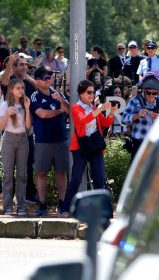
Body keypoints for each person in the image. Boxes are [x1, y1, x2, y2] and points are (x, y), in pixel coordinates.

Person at [59, 80, 116, 217]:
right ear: (81, 94)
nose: (91, 95)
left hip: (95, 147)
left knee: (99, 178)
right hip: (80, 148)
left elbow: (106, 122)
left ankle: (99, 210)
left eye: (93, 92)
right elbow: (83, 120)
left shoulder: (94, 107)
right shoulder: (75, 108)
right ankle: (65, 208)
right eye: (89, 92)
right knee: (76, 178)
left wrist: (111, 112)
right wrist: (100, 109)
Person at [30, 66, 70, 216]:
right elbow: (42, 114)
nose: (49, 80)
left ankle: (62, 203)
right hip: (43, 140)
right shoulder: (35, 96)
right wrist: (59, 110)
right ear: (38, 80)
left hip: (60, 139)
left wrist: (62, 101)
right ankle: (42, 204)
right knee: (41, 173)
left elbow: (70, 111)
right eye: (46, 78)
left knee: (61, 172)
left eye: (50, 77)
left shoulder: (57, 93)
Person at [0, 78, 32, 216]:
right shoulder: (4, 105)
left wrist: (28, 109)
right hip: (9, 139)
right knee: (7, 175)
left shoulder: (25, 104)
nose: (21, 90)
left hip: (23, 139)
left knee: (22, 174)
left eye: (22, 88)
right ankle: (7, 207)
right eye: (18, 88)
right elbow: (0, 127)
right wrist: (7, 114)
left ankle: (21, 206)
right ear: (11, 90)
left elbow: (28, 126)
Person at [122, 73, 159, 162]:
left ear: (157, 92)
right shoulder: (135, 101)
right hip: (139, 143)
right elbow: (124, 119)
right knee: (136, 173)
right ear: (144, 90)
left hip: (156, 144)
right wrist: (137, 115)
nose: (151, 95)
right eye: (148, 93)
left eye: (154, 93)